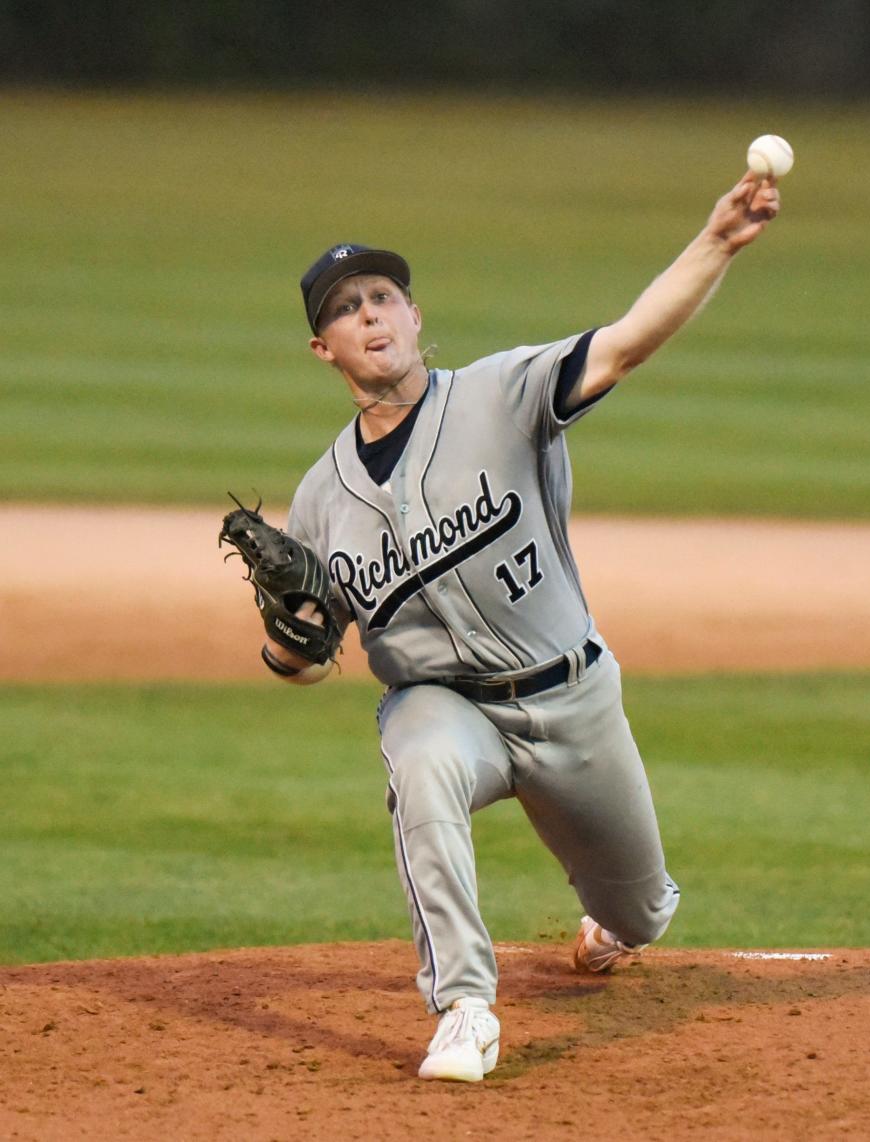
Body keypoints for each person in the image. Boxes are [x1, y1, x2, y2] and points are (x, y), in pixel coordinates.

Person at [260, 171, 780, 1082]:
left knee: (641, 912)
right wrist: (287, 645)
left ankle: (612, 928)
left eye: (384, 297)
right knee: (415, 757)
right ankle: (464, 1006)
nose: (372, 316)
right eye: (348, 309)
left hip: (571, 698)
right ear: (323, 346)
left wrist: (718, 241)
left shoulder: (504, 393)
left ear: (416, 317)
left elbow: (625, 344)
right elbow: (303, 663)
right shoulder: (319, 500)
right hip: (446, 711)